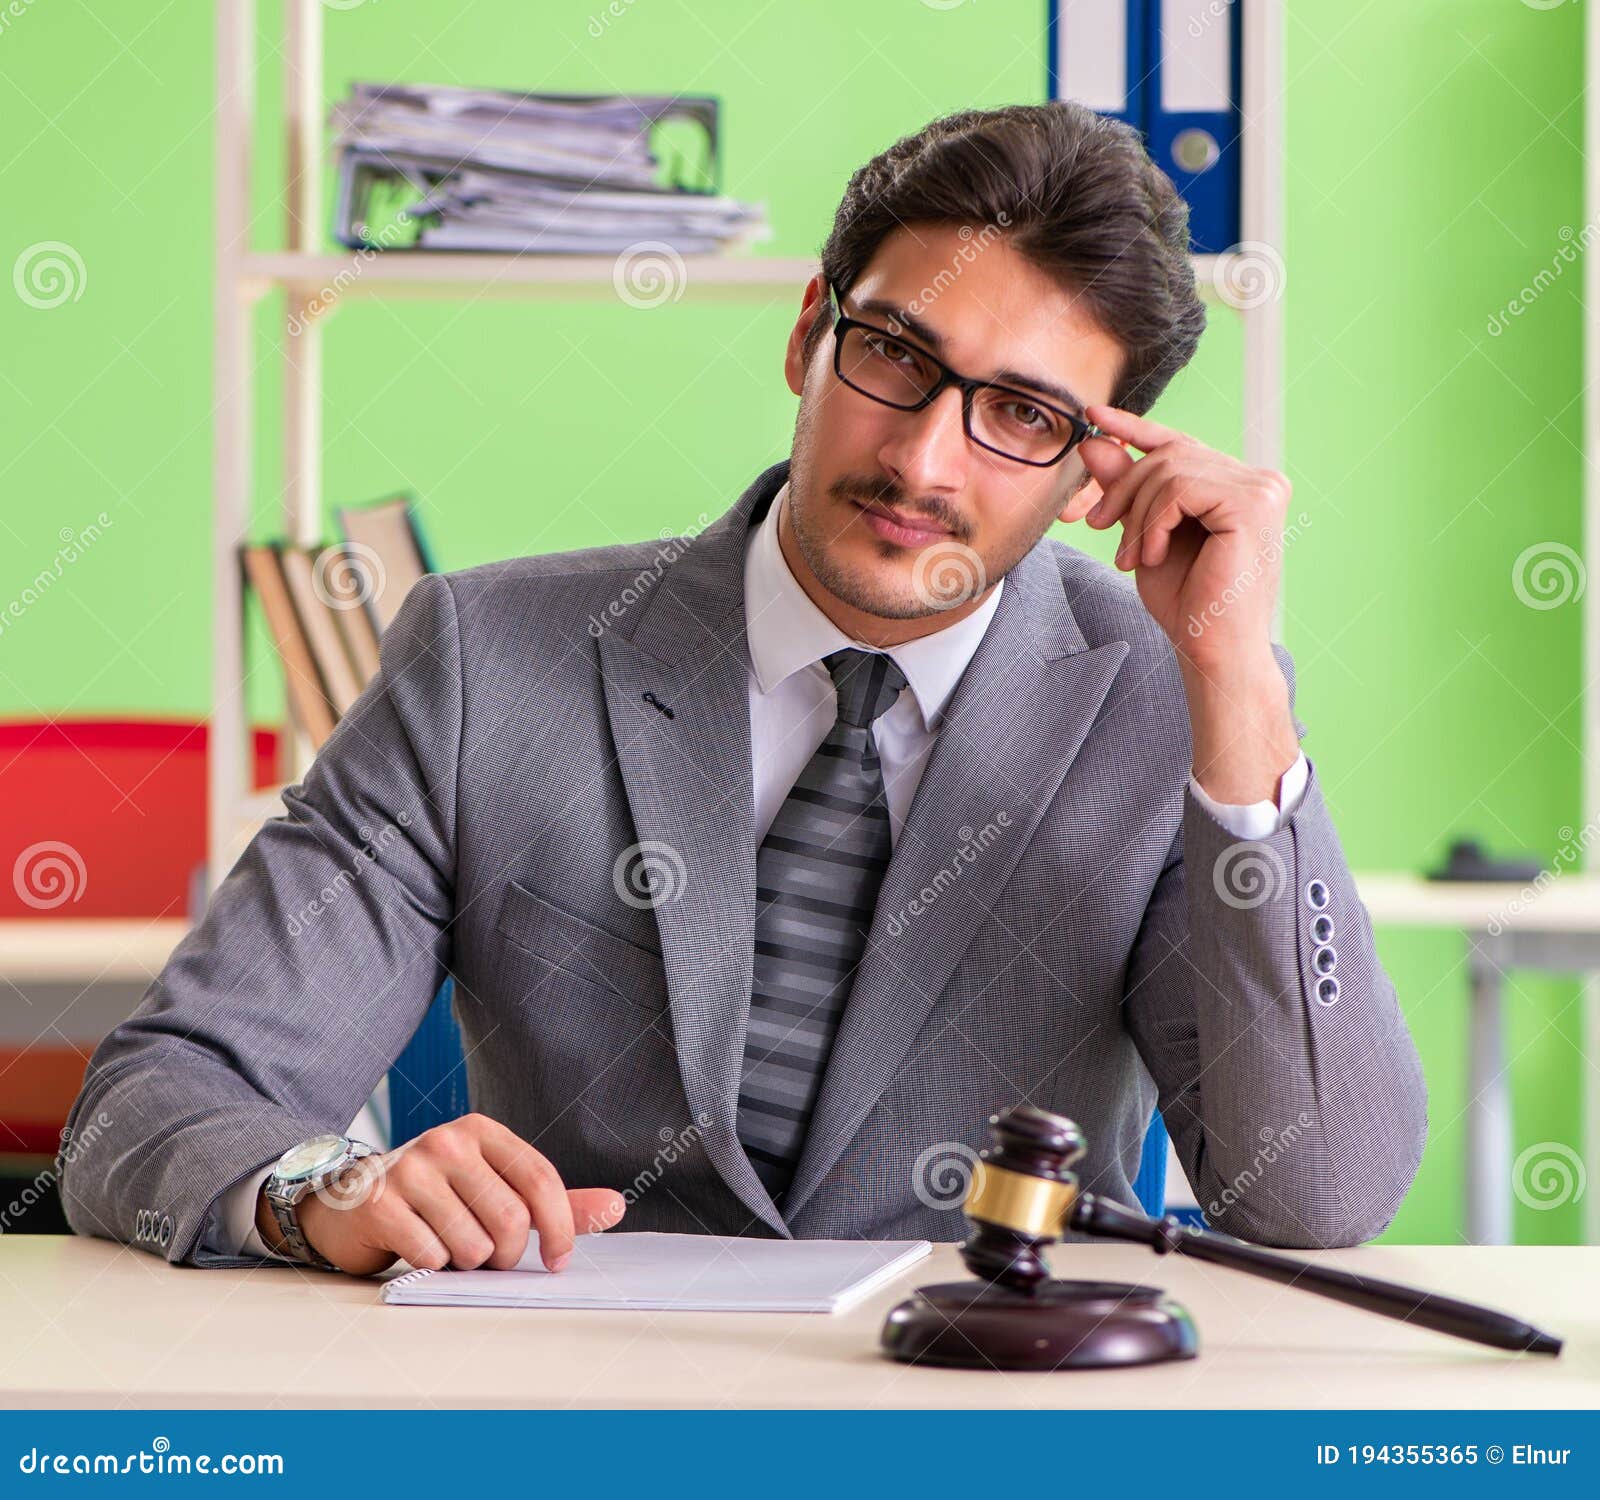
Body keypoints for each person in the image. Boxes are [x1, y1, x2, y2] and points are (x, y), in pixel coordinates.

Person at [61, 100, 1425, 1277]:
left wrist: (1237, 682)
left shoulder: (1161, 705)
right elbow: (152, 1103)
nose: (928, 464)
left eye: (1022, 415)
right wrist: (324, 1193)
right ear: (807, 338)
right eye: (895, 352)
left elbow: (1315, 1195)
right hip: (580, 1422)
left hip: (984, 1422)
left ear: (1096, 471)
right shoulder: (491, 658)